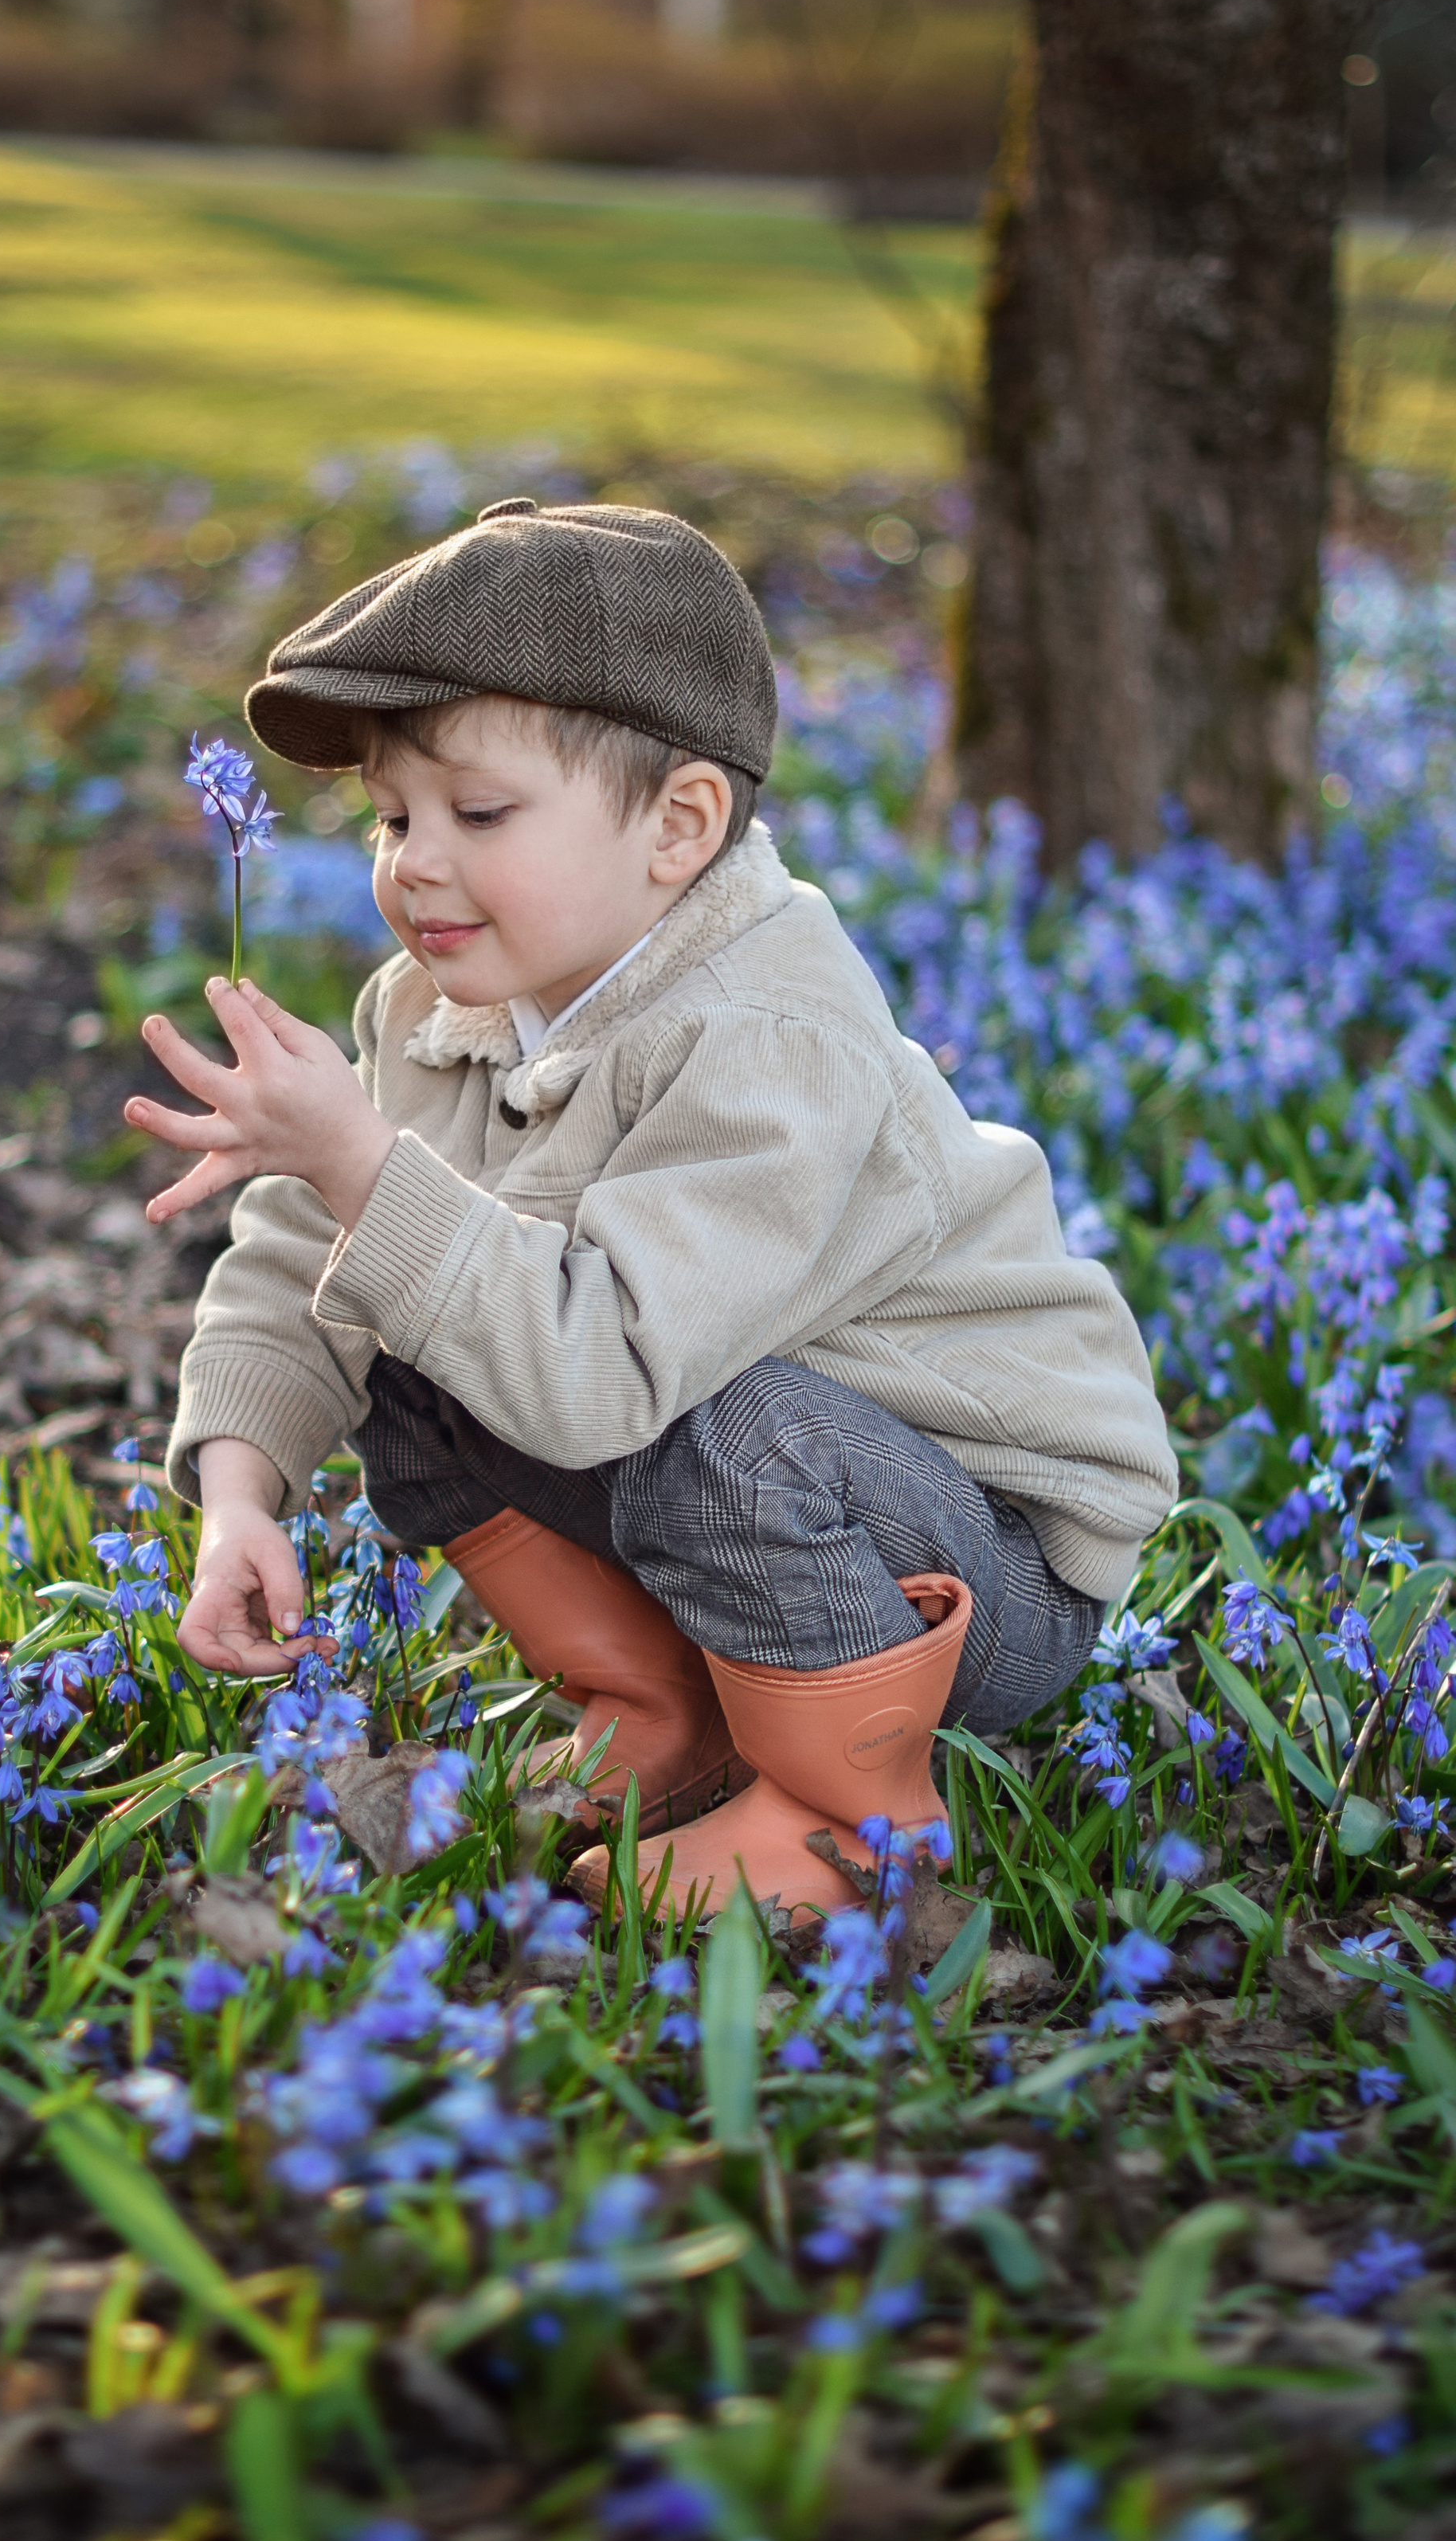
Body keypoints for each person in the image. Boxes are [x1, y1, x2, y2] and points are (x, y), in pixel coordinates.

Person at [123, 497, 1176, 1920]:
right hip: (744, 1465)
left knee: (719, 1425)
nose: (413, 861)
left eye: (478, 813)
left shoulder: (771, 1034)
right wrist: (242, 1488)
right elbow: (318, 1253)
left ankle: (850, 1816)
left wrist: (367, 1165)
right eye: (388, 816)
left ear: (679, 825)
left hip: (973, 1561)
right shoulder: (438, 1004)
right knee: (401, 1306)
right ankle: (664, 1709)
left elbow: (607, 1372)